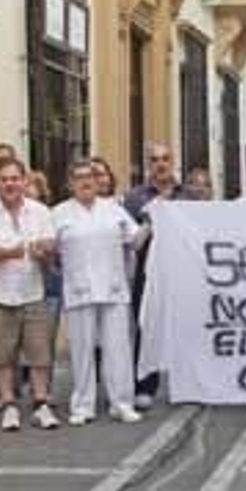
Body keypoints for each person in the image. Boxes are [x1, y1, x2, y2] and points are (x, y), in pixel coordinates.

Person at [0, 159, 60, 431]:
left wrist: (44, 251)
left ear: (24, 181)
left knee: (39, 351)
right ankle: (8, 404)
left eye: (15, 179)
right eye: (4, 179)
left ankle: (40, 403)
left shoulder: (40, 211)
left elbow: (51, 248)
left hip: (32, 290)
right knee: (2, 353)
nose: (10, 184)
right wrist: (9, 252)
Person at [54, 160, 144, 425]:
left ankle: (121, 403)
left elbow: (135, 240)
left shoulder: (114, 209)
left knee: (118, 349)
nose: (86, 181)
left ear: (97, 181)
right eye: (79, 177)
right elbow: (48, 247)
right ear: (70, 184)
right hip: (79, 288)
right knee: (82, 350)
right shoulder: (58, 213)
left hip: (113, 287)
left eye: (90, 176)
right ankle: (83, 405)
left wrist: (154, 222)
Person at [123, 143, 195, 410]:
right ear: (148, 164)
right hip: (147, 273)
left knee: (186, 327)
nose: (160, 164)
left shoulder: (188, 197)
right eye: (154, 160)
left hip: (183, 274)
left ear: (173, 161)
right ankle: (145, 385)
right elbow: (128, 237)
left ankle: (189, 384)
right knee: (147, 326)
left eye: (165, 159)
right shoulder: (134, 198)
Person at [24, 170, 63, 391]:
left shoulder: (52, 217)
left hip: (48, 286)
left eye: (33, 186)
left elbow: (58, 252)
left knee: (45, 340)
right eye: (26, 184)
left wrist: (46, 253)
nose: (28, 190)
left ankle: (43, 388)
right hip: (21, 288)